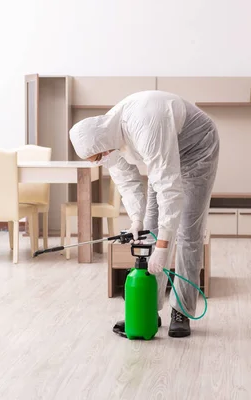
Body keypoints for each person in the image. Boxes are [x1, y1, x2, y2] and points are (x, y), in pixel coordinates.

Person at [69, 90, 219, 338]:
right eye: (95, 160)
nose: (100, 160)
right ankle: (147, 308)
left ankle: (181, 310)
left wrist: (162, 247)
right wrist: (137, 220)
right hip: (162, 156)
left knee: (188, 231)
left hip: (197, 149)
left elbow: (169, 190)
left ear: (102, 146)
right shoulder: (106, 138)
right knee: (150, 228)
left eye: (99, 156)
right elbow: (127, 183)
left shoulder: (145, 125)